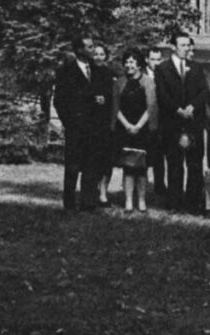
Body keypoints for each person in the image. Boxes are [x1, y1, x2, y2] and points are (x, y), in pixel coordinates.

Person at [53, 37, 113, 211]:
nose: (92, 50)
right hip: (76, 128)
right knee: (72, 166)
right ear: (78, 50)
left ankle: (89, 202)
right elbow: (60, 101)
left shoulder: (98, 71)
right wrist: (69, 122)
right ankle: (70, 203)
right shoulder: (66, 71)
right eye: (88, 47)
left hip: (94, 128)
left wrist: (103, 100)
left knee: (91, 166)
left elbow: (106, 94)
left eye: (93, 46)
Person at [155, 31, 208, 212]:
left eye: (188, 45)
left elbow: (203, 92)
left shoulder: (197, 67)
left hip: (193, 122)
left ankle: (193, 204)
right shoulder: (163, 69)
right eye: (183, 45)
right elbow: (162, 95)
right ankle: (174, 202)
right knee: (175, 164)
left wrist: (192, 107)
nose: (187, 48)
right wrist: (178, 110)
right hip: (173, 122)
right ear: (173, 47)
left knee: (194, 164)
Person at [112, 50, 157, 213]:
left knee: (142, 168)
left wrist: (138, 126)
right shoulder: (119, 82)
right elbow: (115, 108)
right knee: (128, 167)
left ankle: (142, 201)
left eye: (132, 62)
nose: (129, 65)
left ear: (139, 64)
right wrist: (127, 125)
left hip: (143, 129)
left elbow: (151, 107)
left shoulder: (148, 82)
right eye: (127, 62)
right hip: (124, 129)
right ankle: (129, 201)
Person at [93, 44, 118, 206]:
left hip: (107, 123)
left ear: (106, 57)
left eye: (102, 54)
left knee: (106, 161)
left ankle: (103, 193)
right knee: (92, 159)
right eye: (95, 54)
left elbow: (115, 99)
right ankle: (92, 190)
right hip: (92, 123)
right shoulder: (88, 73)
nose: (98, 57)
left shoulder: (110, 75)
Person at [145, 47, 167, 196]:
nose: (156, 63)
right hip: (144, 122)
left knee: (160, 155)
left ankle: (159, 186)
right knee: (143, 154)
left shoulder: (164, 76)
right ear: (147, 60)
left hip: (161, 122)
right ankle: (141, 185)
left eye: (159, 59)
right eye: (153, 59)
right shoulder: (141, 76)